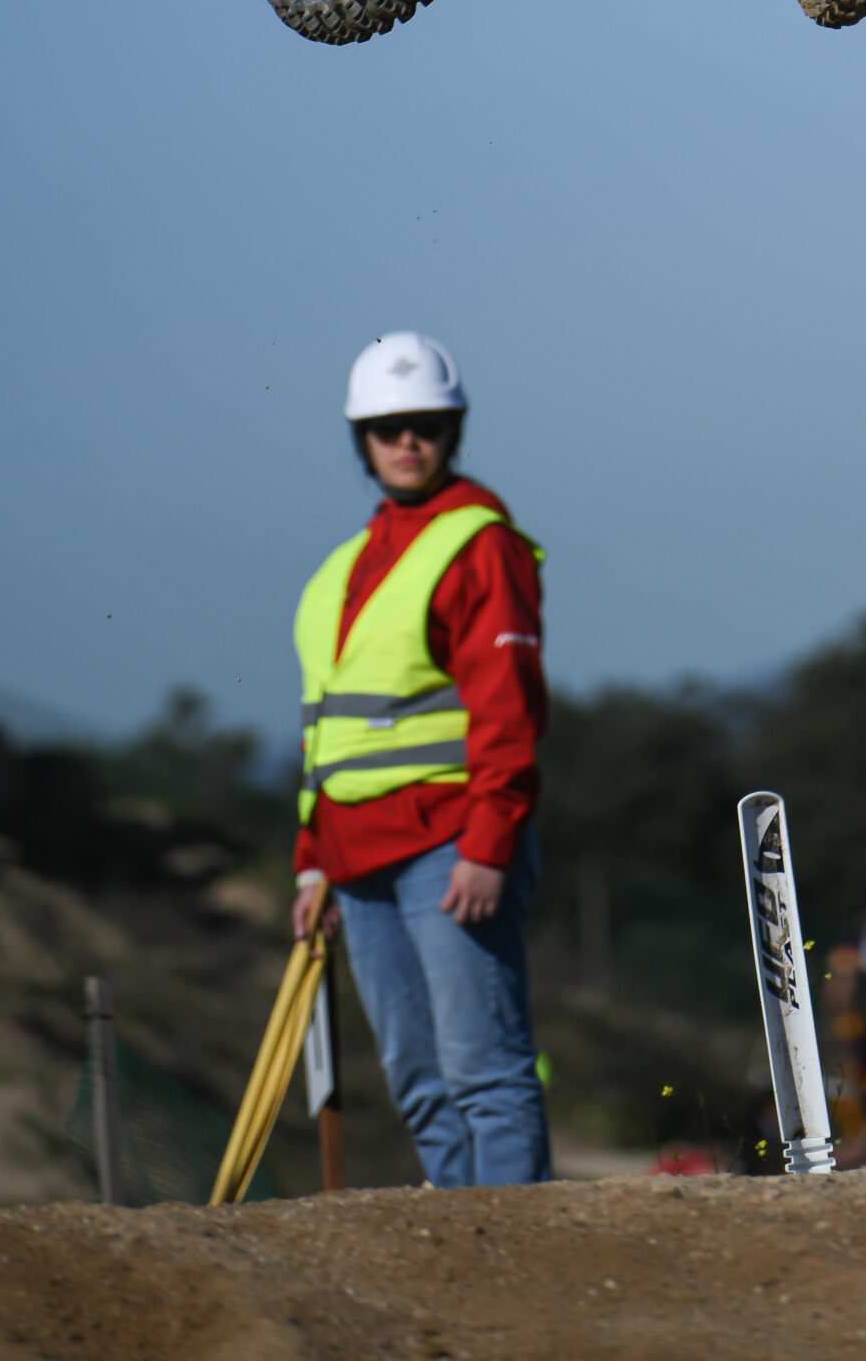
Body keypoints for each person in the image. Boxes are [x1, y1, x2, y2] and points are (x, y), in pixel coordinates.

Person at [291, 331, 550, 1184]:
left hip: (449, 846)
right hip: (354, 861)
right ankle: (460, 1243)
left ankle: (517, 1248)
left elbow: (508, 711)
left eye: (426, 426)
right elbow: (324, 732)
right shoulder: (342, 568)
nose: (407, 442)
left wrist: (489, 844)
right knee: (419, 1084)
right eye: (387, 427)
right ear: (361, 439)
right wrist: (312, 860)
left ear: (454, 432)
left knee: (484, 1073)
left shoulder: (480, 543)